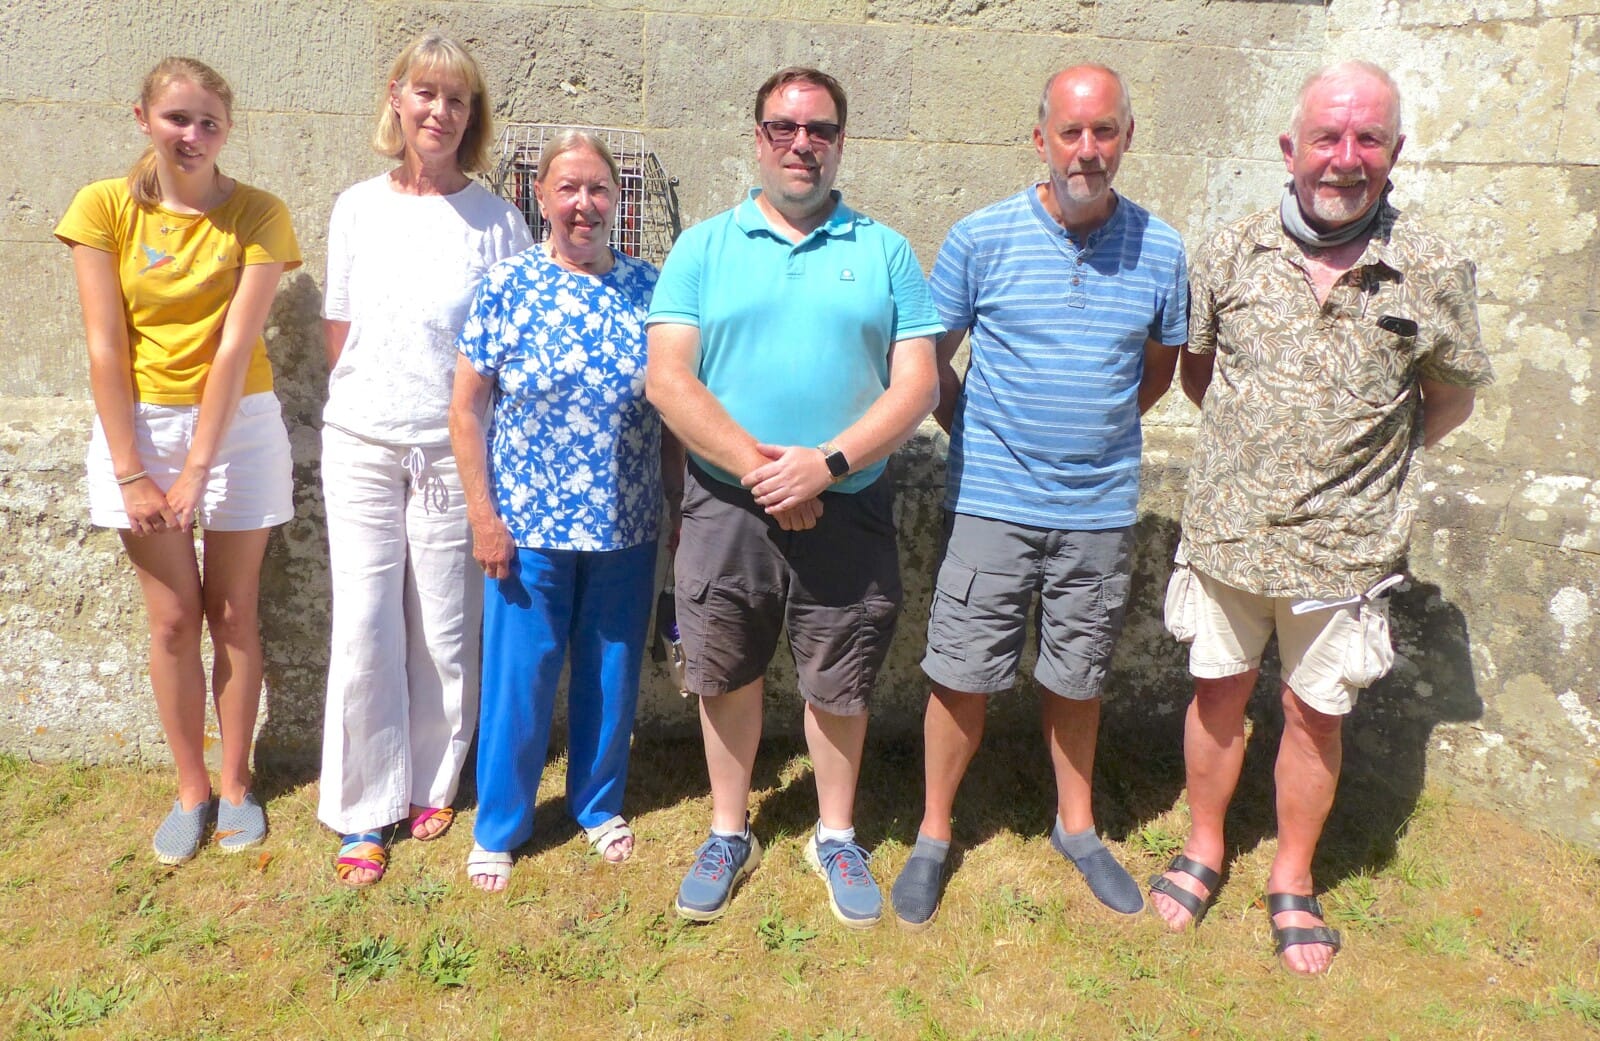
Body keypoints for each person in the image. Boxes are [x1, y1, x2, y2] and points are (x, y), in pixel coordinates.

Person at [1149, 61, 1493, 975]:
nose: (1345, 158)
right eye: (1327, 137)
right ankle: (1205, 844)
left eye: (1367, 138)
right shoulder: (1229, 251)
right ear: (1289, 149)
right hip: (1229, 533)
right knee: (1217, 694)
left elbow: (1449, 398)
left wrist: (1358, 463)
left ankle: (1292, 876)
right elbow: (1199, 374)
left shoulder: (1431, 269)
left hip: (1346, 550)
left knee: (1316, 716)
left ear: (1395, 151)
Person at [891, 64, 1188, 929]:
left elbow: (1158, 371)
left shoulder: (1162, 249)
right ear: (1040, 139)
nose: (1087, 150)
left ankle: (1077, 825)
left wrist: (1093, 432)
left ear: (1127, 137)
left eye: (1105, 131)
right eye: (1071, 132)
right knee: (960, 673)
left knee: (1077, 672)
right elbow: (930, 359)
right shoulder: (980, 238)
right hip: (991, 498)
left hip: (1098, 505)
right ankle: (934, 832)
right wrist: (979, 434)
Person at [645, 67, 942, 928]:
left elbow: (918, 384)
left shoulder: (884, 250)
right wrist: (765, 471)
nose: (801, 143)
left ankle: (836, 834)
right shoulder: (703, 247)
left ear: (841, 142)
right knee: (724, 668)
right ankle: (727, 831)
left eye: (819, 129)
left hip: (849, 502)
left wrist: (828, 463)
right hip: (726, 504)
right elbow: (668, 380)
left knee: (840, 677)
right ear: (758, 137)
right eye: (784, 126)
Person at [55, 57, 301, 865]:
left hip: (240, 427)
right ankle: (190, 788)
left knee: (232, 611)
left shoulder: (259, 214)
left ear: (227, 131)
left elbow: (233, 348)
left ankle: (236, 784)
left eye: (209, 123)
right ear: (143, 118)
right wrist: (132, 469)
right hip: (138, 427)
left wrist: (197, 469)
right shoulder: (103, 207)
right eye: (177, 119)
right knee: (170, 618)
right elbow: (105, 344)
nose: (193, 136)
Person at [317, 31, 532, 887]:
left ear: (471, 116)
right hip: (362, 443)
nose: (439, 111)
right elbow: (340, 329)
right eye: (426, 94)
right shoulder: (355, 208)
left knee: (445, 628)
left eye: (457, 99)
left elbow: (509, 351)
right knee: (365, 623)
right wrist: (375, 402)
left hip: (453, 452)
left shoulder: (497, 222)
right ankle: (363, 807)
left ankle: (433, 781)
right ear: (397, 99)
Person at [451, 130, 679, 892]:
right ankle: (499, 825)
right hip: (528, 528)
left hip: (626, 521)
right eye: (568, 188)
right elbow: (465, 408)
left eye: (598, 188)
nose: (584, 203)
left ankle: (597, 804)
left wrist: (678, 503)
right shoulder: (508, 285)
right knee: (520, 677)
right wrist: (484, 515)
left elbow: (674, 408)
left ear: (617, 199)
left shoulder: (651, 289)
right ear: (542, 198)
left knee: (611, 673)